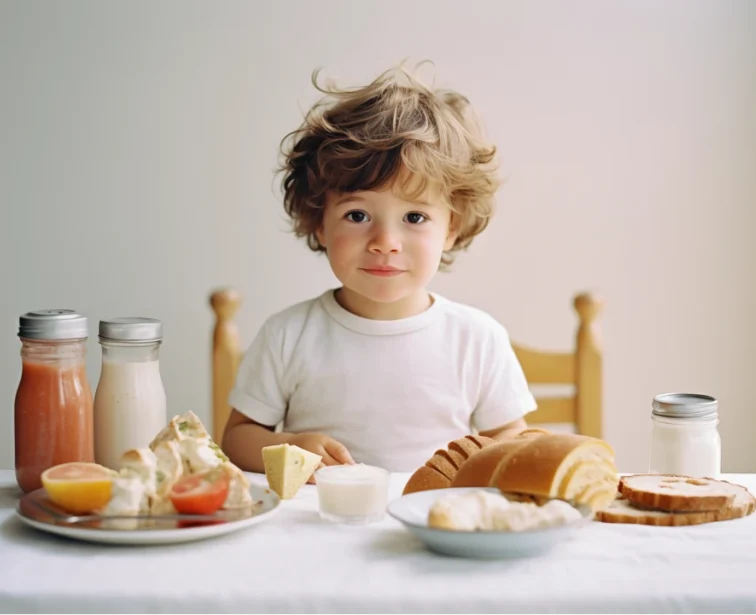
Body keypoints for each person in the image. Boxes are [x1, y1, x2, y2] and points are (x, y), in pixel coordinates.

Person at [221, 63, 536, 474]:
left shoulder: (477, 338)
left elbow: (511, 436)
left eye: (414, 218)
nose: (385, 242)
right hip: (319, 527)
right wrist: (290, 445)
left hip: (431, 525)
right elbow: (237, 439)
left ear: (451, 228)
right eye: (357, 215)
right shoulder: (287, 336)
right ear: (320, 221)